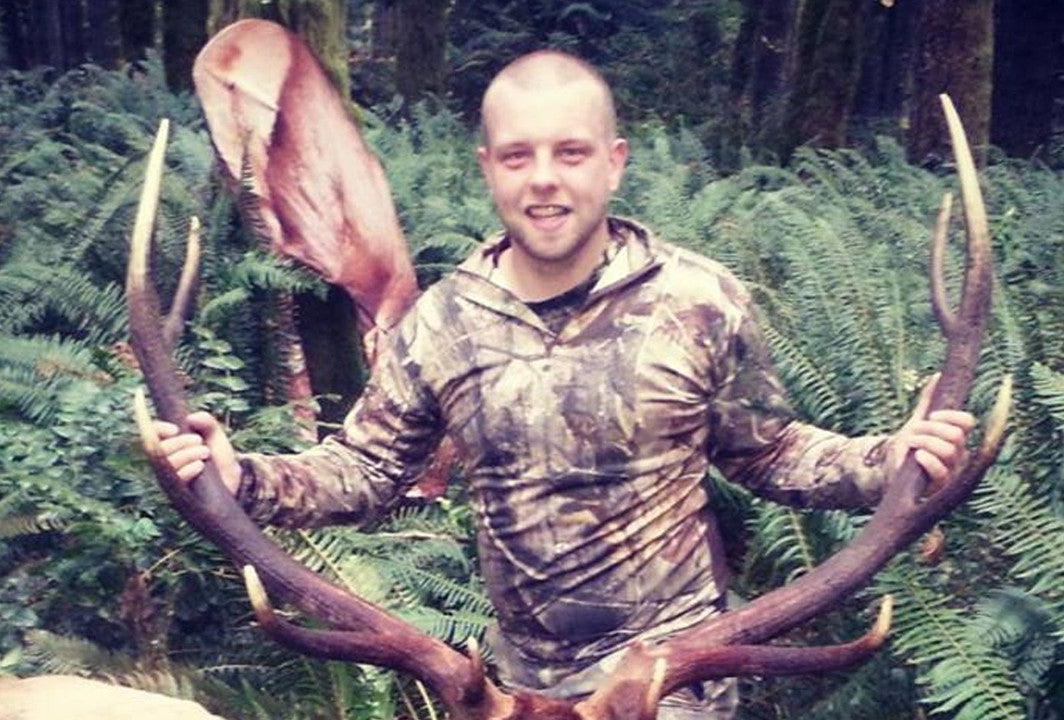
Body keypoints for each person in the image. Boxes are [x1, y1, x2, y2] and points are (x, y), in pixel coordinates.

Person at [156, 51, 974, 718]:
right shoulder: (442, 323)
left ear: (613, 164)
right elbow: (364, 473)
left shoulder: (698, 302)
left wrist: (886, 458)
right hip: (520, 698)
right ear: (489, 169)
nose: (544, 179)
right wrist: (242, 477)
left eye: (571, 152)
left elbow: (772, 452)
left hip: (671, 690)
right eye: (519, 155)